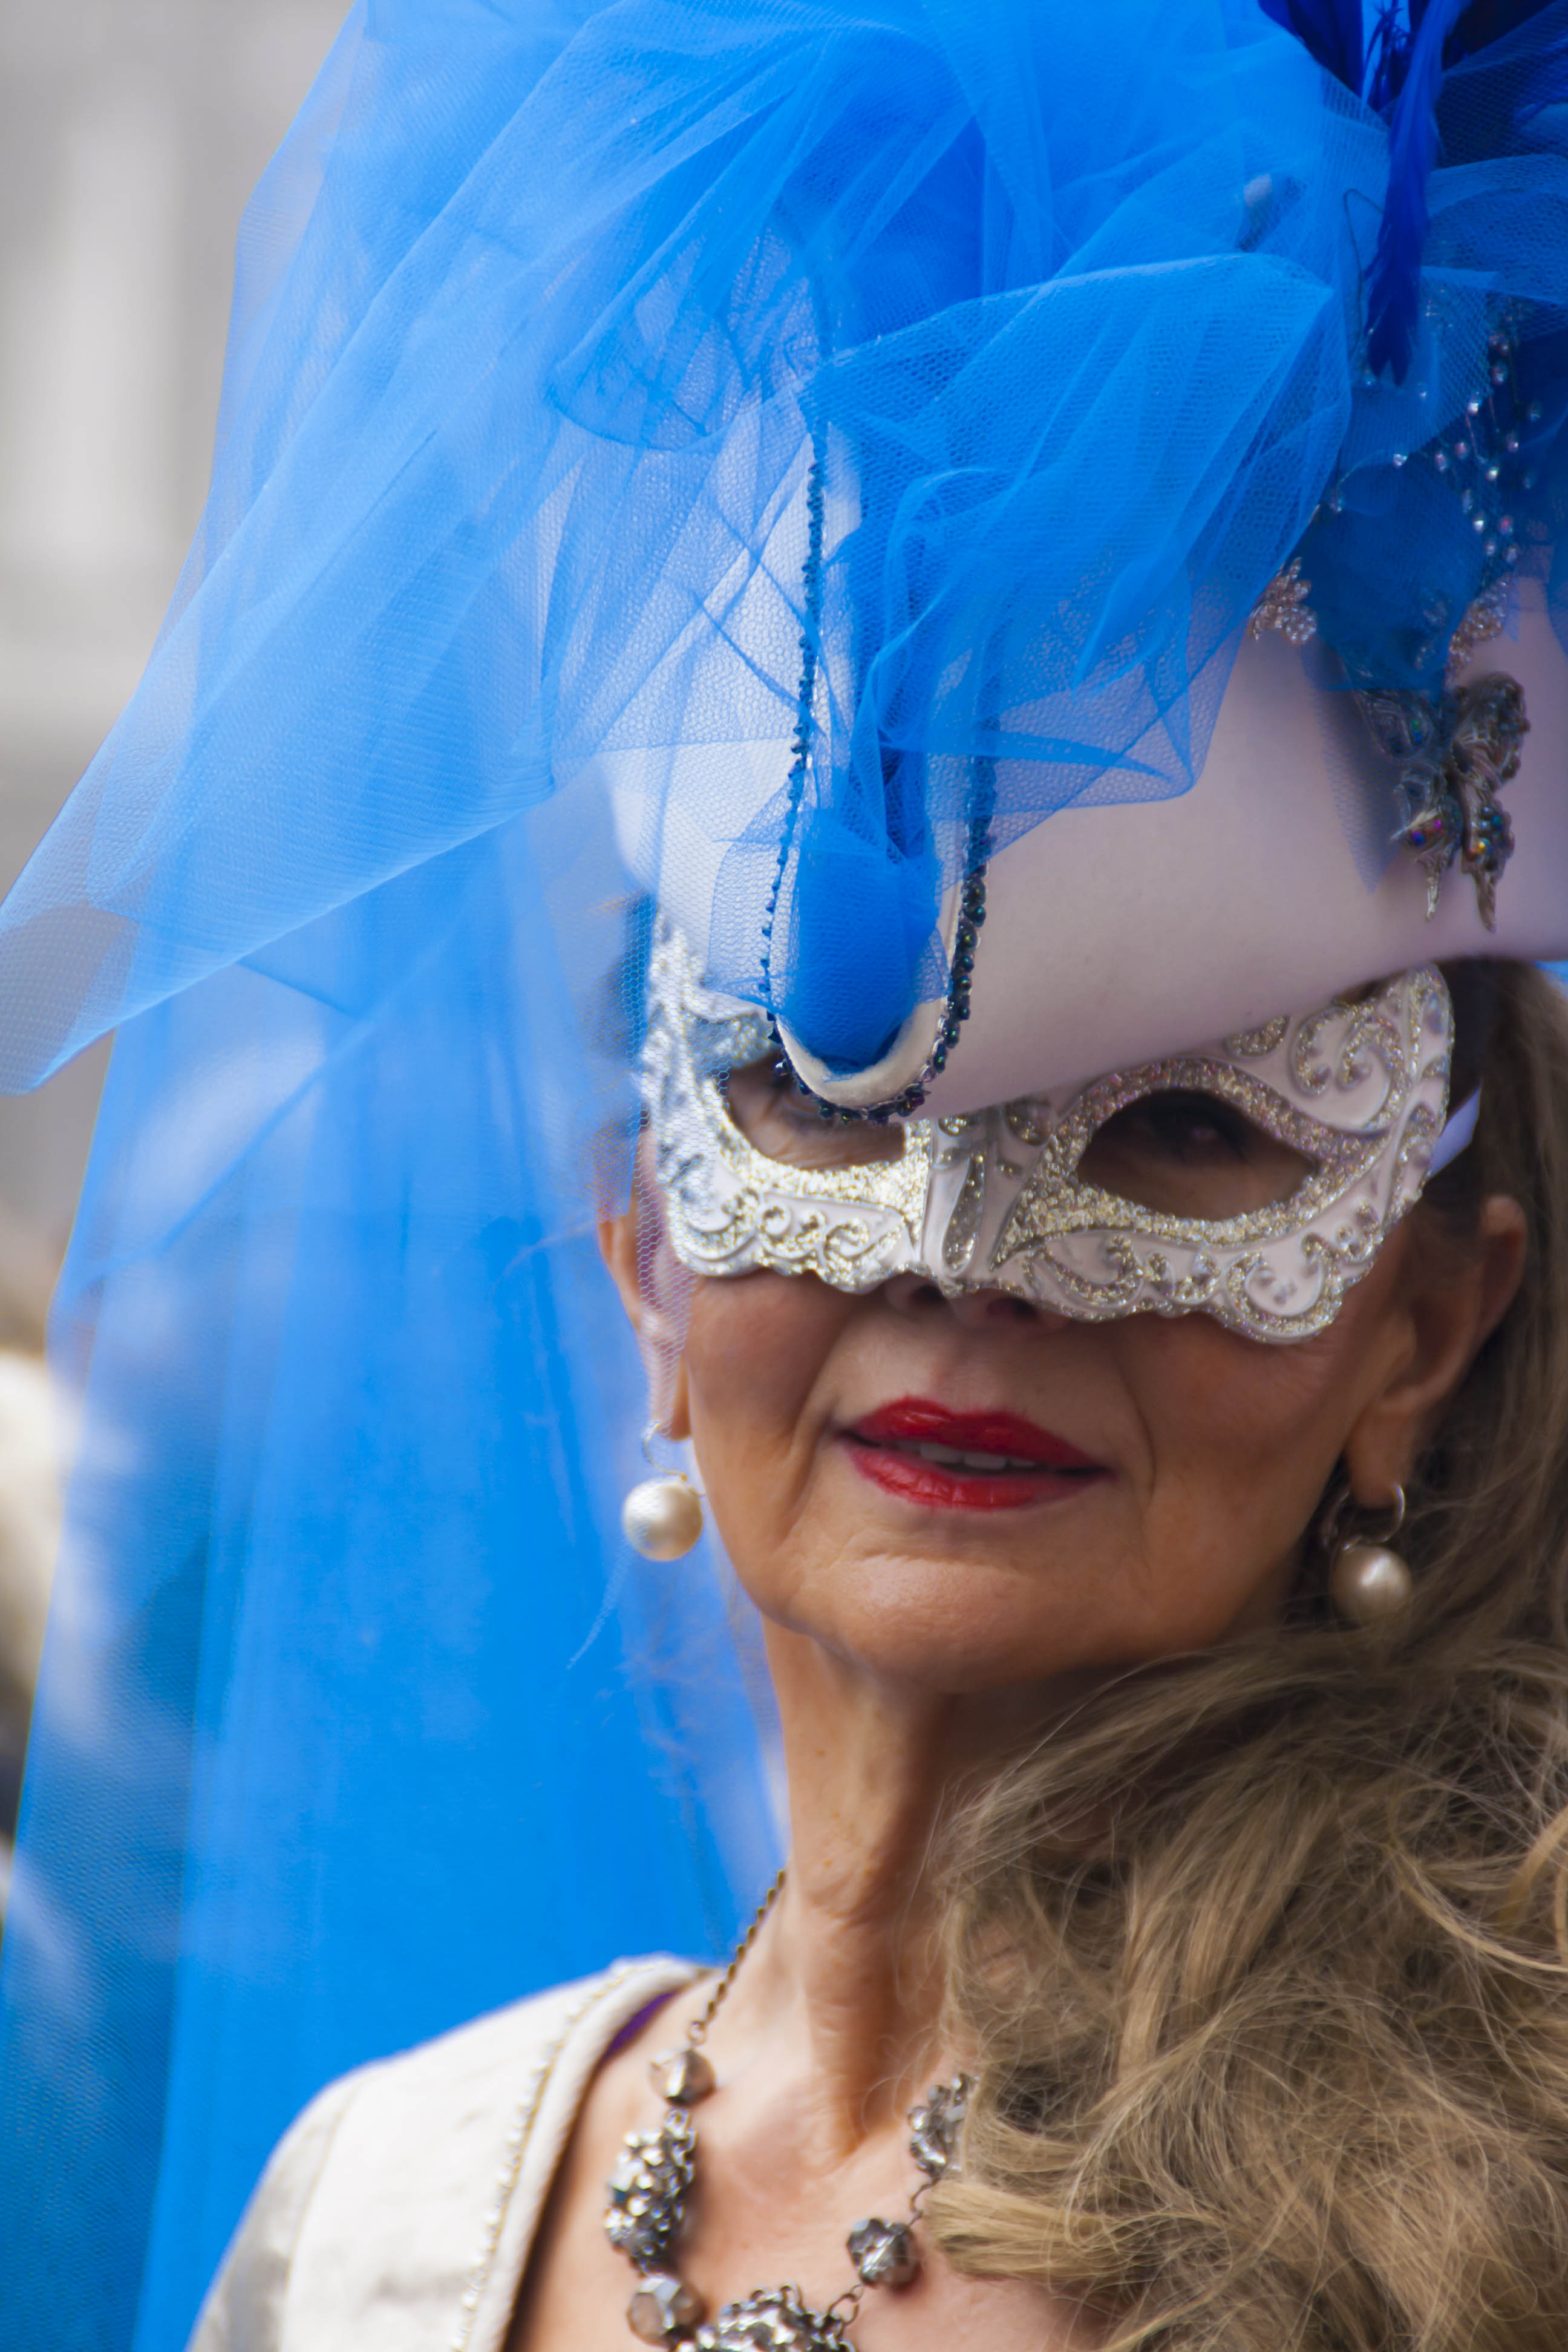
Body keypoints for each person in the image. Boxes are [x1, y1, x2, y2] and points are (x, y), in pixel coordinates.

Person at [6, 5, 1568, 2351]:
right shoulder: (388, 2202)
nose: (964, 1272)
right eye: (829, 1113)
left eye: (1184, 1134)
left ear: (1427, 1323)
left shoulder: (1493, 2232)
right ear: (641, 1245)